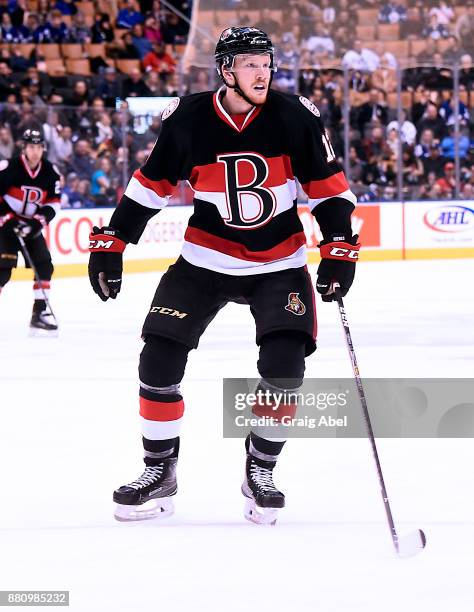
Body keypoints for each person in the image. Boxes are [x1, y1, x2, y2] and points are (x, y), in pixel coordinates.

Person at [88, 27, 359, 524]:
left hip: (279, 263)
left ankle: (260, 470)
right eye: (251, 63)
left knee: (284, 371)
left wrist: (339, 246)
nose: (263, 72)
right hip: (204, 261)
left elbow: (329, 191)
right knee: (158, 362)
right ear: (226, 70)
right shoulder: (189, 119)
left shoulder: (295, 116)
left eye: (267, 62)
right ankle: (159, 470)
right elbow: (151, 187)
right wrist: (115, 241)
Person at [0, 129, 61, 333]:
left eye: (38, 147)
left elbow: (54, 203)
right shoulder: (9, 167)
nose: (35, 151)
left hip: (30, 227)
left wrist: (37, 223)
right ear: (24, 148)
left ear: (43, 148)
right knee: (3, 270)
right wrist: (8, 218)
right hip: (5, 226)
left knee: (44, 265)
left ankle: (39, 313)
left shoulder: (51, 172)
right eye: (31, 147)